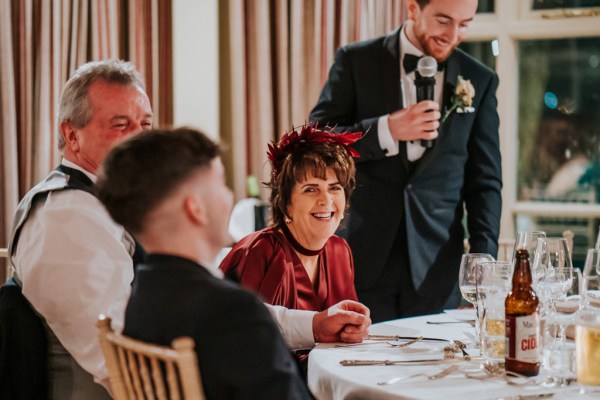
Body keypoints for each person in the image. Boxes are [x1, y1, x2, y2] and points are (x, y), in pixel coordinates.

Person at [7, 59, 370, 398]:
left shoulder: (121, 215)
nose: (140, 137)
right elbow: (119, 358)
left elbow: (201, 307)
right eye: (121, 124)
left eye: (145, 124)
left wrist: (314, 324)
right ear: (72, 136)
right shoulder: (66, 215)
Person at [309, 0, 502, 322]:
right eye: (443, 20)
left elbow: (485, 181)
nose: (453, 35)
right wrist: (387, 129)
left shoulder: (479, 79)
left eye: (464, 24)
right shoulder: (357, 61)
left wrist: (483, 261)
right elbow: (317, 139)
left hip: (438, 267)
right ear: (413, 9)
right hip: (361, 257)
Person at [96, 127, 319, 399]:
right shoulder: (232, 312)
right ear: (196, 208)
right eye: (222, 185)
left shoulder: (139, 296)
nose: (229, 198)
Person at [219, 124, 361, 312]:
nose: (326, 200)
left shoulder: (340, 251)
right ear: (285, 202)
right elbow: (236, 330)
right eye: (311, 189)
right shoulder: (259, 252)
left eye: (335, 188)